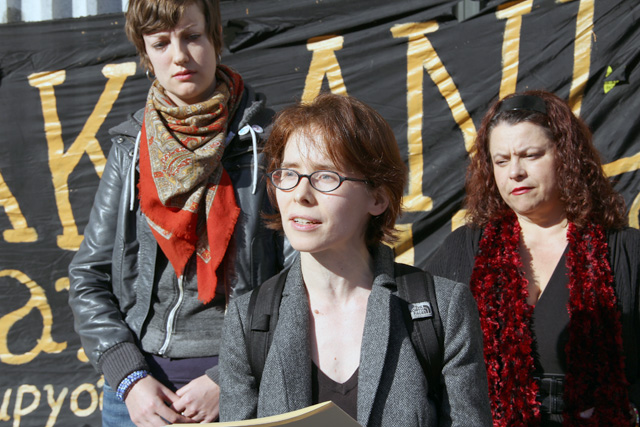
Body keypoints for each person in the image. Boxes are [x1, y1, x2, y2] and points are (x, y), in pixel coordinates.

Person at [67, 0, 290, 425]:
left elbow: (302, 279)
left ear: (215, 39)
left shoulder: (271, 143)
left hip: (240, 388)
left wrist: (231, 375)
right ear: (145, 55)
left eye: (192, 36)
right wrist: (129, 378)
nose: (179, 55)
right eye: (161, 42)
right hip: (139, 395)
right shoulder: (130, 148)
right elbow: (88, 276)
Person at [218, 93, 493, 426]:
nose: (300, 194)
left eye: (325, 176)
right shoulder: (248, 321)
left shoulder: (443, 311)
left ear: (377, 198)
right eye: (288, 174)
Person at [425, 90, 640, 426]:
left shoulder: (624, 250)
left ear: (566, 156)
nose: (515, 172)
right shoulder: (464, 249)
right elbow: (421, 355)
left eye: (530, 155)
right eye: (501, 161)